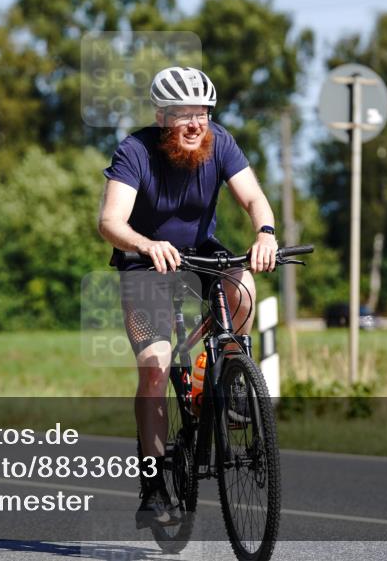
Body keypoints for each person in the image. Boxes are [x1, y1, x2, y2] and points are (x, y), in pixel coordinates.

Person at [98, 66, 280, 528]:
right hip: (147, 264)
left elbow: (255, 198)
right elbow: (110, 223)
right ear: (162, 117)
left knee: (243, 283)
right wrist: (145, 243)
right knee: (156, 367)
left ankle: (219, 373)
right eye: (183, 115)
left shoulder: (220, 141)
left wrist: (265, 234)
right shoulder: (134, 151)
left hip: (200, 258)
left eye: (201, 112)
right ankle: (155, 481)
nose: (196, 123)